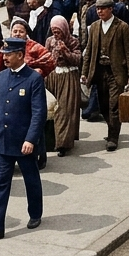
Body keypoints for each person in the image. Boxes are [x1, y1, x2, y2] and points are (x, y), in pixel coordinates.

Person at [0, 37, 48, 241]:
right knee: (0, 184)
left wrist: (31, 139)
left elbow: (39, 113)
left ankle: (35, 213)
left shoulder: (33, 79)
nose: (5, 58)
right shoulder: (2, 77)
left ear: (20, 55)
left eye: (8, 54)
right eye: (3, 54)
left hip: (23, 142)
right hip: (2, 140)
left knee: (31, 179)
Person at [82, 0, 129, 152]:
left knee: (114, 105)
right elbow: (89, 51)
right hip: (99, 71)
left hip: (116, 72)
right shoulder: (94, 27)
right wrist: (85, 72)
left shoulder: (122, 27)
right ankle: (111, 128)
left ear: (111, 9)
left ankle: (113, 137)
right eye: (97, 9)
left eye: (103, 9)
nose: (99, 11)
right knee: (103, 105)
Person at [44, 16, 83, 155]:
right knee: (52, 109)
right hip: (53, 77)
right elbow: (45, 57)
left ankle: (63, 144)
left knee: (65, 110)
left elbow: (77, 59)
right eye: (53, 31)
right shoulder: (49, 41)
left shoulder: (73, 41)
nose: (56, 34)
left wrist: (65, 51)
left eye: (58, 31)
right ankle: (53, 140)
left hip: (68, 77)